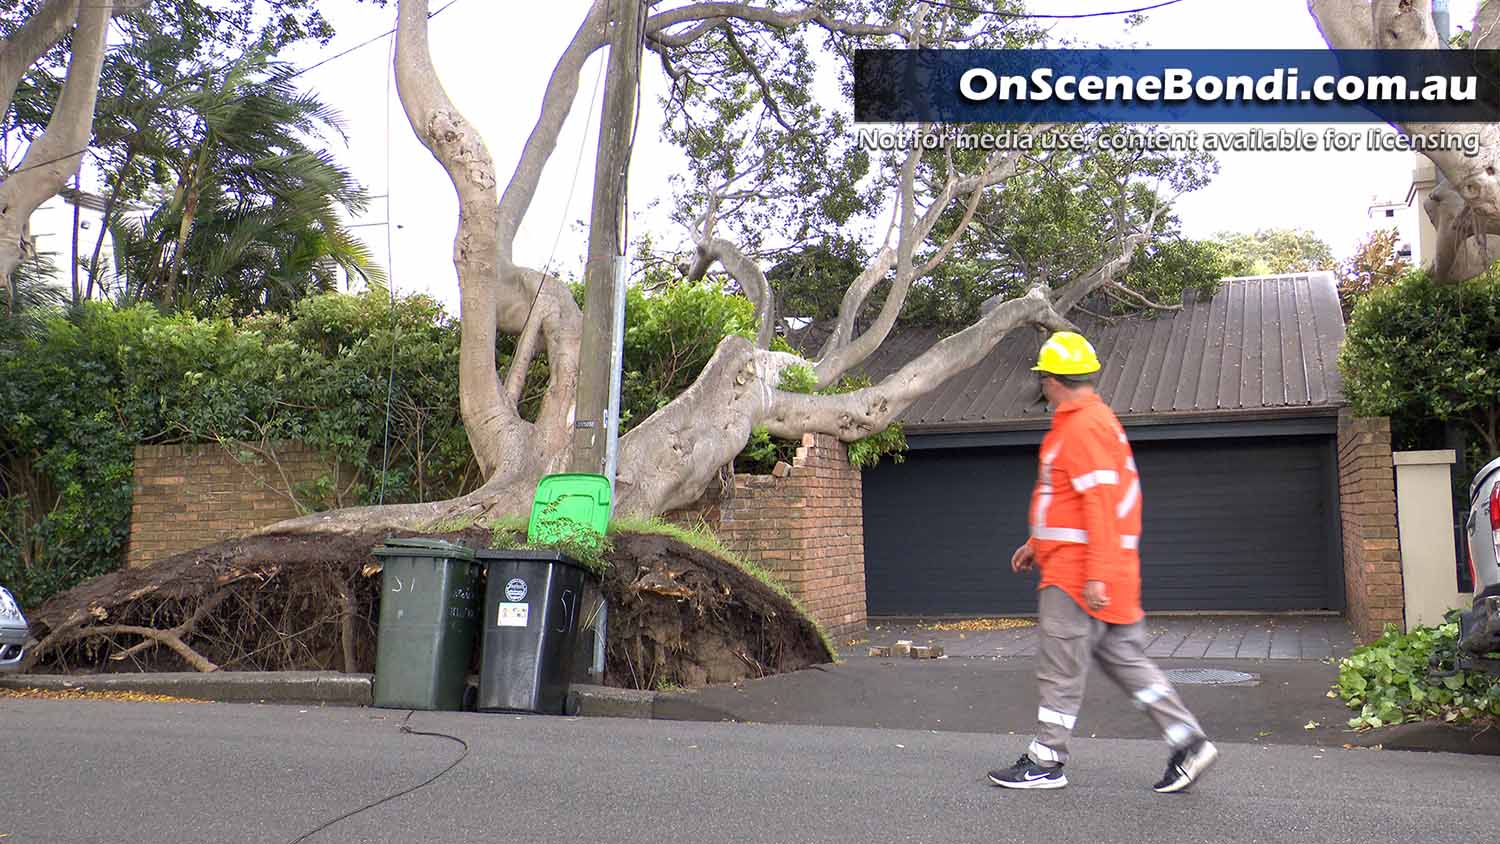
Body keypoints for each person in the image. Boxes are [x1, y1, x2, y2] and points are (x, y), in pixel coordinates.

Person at [987, 330, 1218, 794]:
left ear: (1052, 381)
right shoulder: (1097, 421)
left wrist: (1094, 574)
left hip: (1077, 577)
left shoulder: (1079, 427)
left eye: (1043, 380)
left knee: (1059, 667)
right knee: (1124, 660)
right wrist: (1036, 542)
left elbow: (1100, 502)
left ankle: (1046, 760)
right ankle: (1188, 742)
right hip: (1101, 570)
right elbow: (1078, 501)